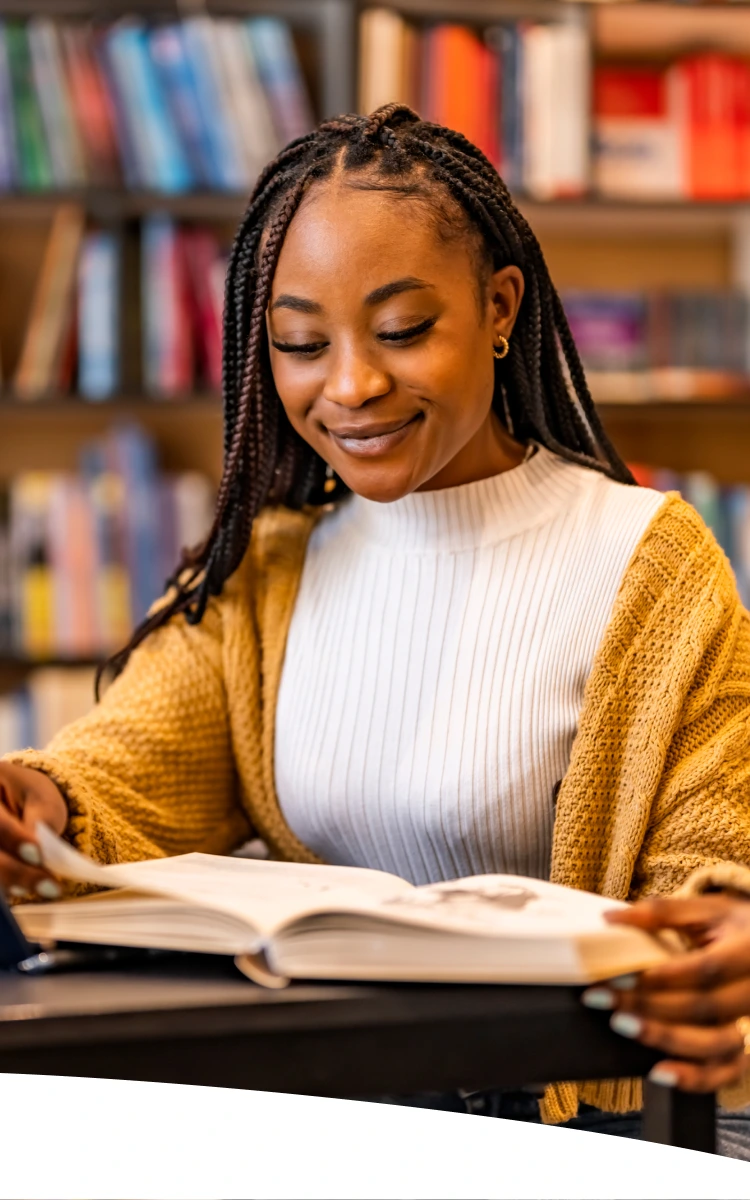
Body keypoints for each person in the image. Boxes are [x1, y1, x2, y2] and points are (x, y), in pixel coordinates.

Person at [1, 104, 750, 1147]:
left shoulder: (651, 565)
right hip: (315, 1116)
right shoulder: (267, 573)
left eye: (403, 331)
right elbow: (119, 770)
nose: (349, 386)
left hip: (557, 1130)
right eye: (302, 344)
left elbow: (719, 857)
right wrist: (36, 800)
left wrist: (724, 934)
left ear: (499, 308)